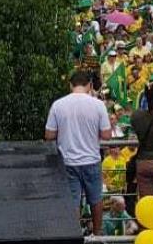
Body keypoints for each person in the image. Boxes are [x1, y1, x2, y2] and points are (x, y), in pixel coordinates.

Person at [44, 70, 112, 234]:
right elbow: (107, 135)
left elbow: (49, 135)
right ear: (89, 85)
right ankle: (97, 235)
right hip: (91, 159)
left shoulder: (58, 105)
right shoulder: (98, 105)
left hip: (67, 161)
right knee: (96, 200)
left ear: (70, 85)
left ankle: (74, 235)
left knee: (73, 202)